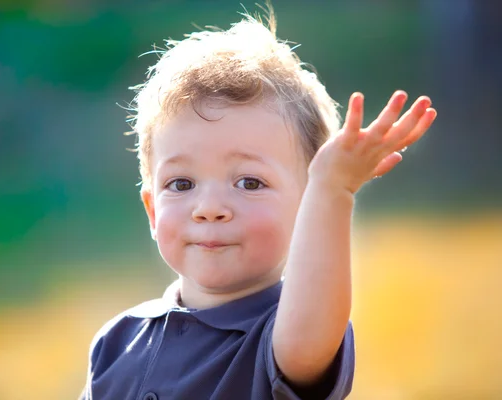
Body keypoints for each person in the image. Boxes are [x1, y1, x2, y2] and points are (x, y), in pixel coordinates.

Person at [80, 5, 436, 400]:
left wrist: (332, 191)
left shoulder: (283, 335)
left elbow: (306, 344)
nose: (209, 207)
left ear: (307, 214)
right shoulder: (116, 342)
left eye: (249, 182)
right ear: (151, 210)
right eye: (181, 183)